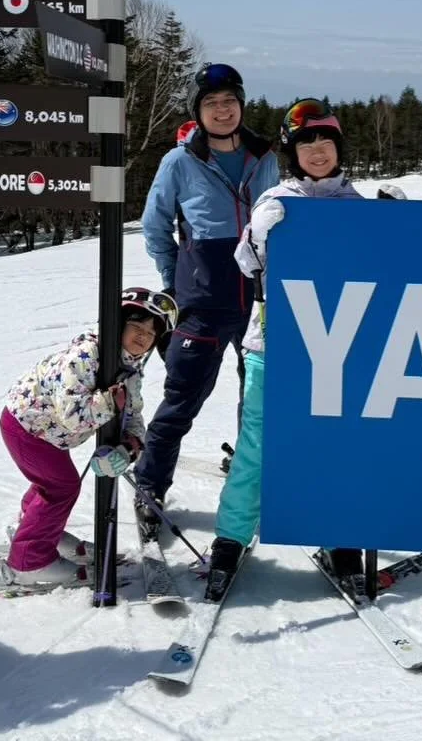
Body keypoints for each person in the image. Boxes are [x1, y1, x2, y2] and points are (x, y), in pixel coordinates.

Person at [203, 98, 405, 600]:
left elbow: (396, 269)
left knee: (341, 446)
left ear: (339, 147)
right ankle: (230, 540)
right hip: (275, 346)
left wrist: (402, 223)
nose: (318, 150)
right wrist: (259, 229)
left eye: (326, 140)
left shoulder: (359, 205)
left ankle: (340, 538)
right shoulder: (278, 198)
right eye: (307, 142)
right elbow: (246, 263)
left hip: (343, 349)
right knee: (257, 449)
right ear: (293, 152)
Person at [135, 63, 279, 532]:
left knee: (258, 402)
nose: (222, 110)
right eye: (212, 104)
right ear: (198, 112)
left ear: (241, 105)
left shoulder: (265, 156)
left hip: (259, 302)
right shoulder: (179, 161)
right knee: (180, 400)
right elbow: (156, 226)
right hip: (202, 302)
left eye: (230, 102)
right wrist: (176, 280)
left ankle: (250, 483)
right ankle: (150, 486)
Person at [0, 287, 178, 586]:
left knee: (52, 483)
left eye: (151, 332)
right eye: (136, 326)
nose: (143, 336)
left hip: (49, 434)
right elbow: (72, 416)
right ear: (116, 324)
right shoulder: (86, 355)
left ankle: (35, 531)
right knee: (60, 486)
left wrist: (129, 447)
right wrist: (109, 403)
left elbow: (132, 414)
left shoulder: (129, 368)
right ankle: (29, 562)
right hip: (26, 426)